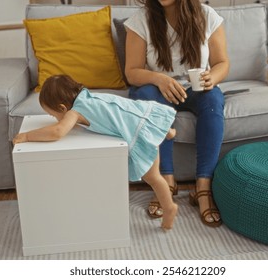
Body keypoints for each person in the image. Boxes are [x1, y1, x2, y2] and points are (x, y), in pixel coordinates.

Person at [13, 74, 178, 230]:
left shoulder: (74, 112)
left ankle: (169, 208)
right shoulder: (86, 96)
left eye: (53, 114)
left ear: (62, 108)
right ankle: (165, 130)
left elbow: (57, 132)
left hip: (140, 133)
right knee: (135, 120)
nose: (55, 119)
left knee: (153, 178)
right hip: (144, 115)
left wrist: (28, 136)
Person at [124, 0, 230, 227]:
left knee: (214, 98)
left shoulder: (207, 15)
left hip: (195, 89)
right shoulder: (140, 20)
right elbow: (132, 72)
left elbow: (221, 62)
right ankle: (165, 184)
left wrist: (214, 77)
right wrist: (159, 78)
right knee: (147, 96)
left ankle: (203, 188)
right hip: (157, 90)